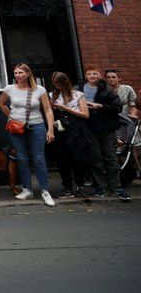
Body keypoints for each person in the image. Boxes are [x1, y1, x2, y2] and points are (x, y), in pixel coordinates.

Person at [0, 63, 56, 206]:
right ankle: (27, 189)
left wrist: (50, 129)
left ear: (28, 74)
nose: (18, 75)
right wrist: (11, 116)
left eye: (21, 73)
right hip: (17, 127)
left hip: (36, 125)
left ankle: (44, 190)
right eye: (16, 73)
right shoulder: (9, 89)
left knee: (38, 158)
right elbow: (2, 104)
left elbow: (48, 110)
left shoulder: (39, 90)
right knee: (22, 158)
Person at [79, 65, 129, 201]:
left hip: (106, 127)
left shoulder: (107, 89)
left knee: (110, 156)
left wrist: (101, 106)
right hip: (89, 127)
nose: (92, 76)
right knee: (96, 158)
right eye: (89, 74)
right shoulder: (79, 88)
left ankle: (116, 187)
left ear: (99, 75)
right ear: (85, 76)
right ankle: (100, 186)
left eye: (95, 74)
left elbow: (117, 107)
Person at [49, 71, 93, 199]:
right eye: (55, 84)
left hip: (76, 128)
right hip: (60, 128)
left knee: (79, 158)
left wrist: (64, 107)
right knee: (63, 159)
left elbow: (85, 114)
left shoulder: (78, 95)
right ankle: (67, 187)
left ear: (65, 82)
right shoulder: (52, 95)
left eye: (59, 84)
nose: (57, 87)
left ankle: (80, 185)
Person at [107, 70, 141, 176]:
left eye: (113, 77)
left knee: (132, 142)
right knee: (118, 144)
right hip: (113, 120)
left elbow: (134, 104)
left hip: (126, 119)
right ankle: (124, 168)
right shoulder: (105, 90)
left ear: (119, 78)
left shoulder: (127, 89)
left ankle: (136, 165)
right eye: (108, 77)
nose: (111, 79)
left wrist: (133, 116)